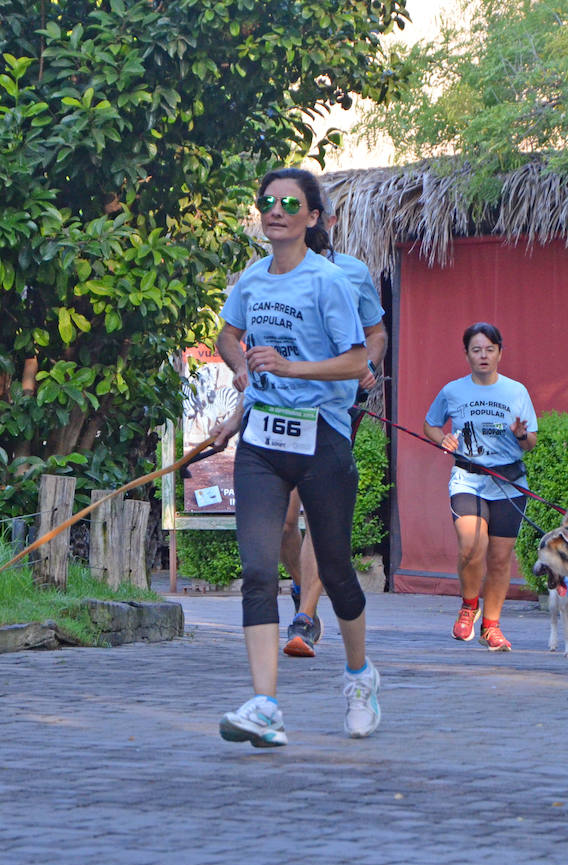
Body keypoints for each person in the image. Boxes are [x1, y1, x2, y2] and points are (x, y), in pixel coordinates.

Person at [210, 166, 381, 747]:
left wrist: (291, 368)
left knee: (334, 569)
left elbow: (357, 362)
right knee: (257, 572)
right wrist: (240, 367)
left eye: (288, 202)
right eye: (266, 202)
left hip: (322, 437)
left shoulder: (328, 282)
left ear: (311, 217)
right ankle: (265, 705)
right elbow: (228, 335)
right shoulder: (252, 280)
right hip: (261, 440)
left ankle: (360, 678)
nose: (274, 210)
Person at [280, 188, 388, 659]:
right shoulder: (270, 272)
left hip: (334, 408)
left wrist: (369, 366)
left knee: (318, 512)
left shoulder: (353, 272)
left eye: (307, 211)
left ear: (326, 218)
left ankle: (304, 615)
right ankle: (309, 592)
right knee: (284, 523)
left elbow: (375, 333)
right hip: (281, 408)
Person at [423, 322, 538, 652]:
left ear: (500, 353)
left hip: (508, 483)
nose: (483, 356)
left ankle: (491, 626)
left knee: (500, 560)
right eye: (476, 350)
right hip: (467, 478)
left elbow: (531, 442)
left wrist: (520, 434)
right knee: (471, 546)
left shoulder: (516, 392)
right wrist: (442, 438)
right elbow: (430, 424)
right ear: (467, 355)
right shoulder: (452, 391)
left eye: (489, 349)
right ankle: (468, 606)